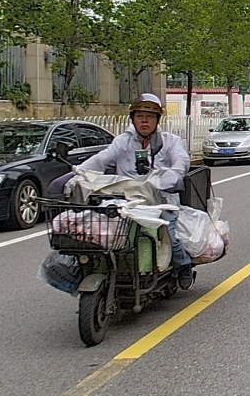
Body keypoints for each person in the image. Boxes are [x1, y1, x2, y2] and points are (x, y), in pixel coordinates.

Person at [76, 94, 195, 285]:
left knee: (170, 237)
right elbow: (102, 159)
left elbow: (181, 161)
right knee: (94, 233)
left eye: (150, 117)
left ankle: (183, 266)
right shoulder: (122, 142)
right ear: (133, 119)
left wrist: (171, 177)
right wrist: (79, 173)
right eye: (140, 116)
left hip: (160, 203)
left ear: (157, 120)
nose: (144, 121)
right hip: (126, 202)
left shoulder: (170, 141)